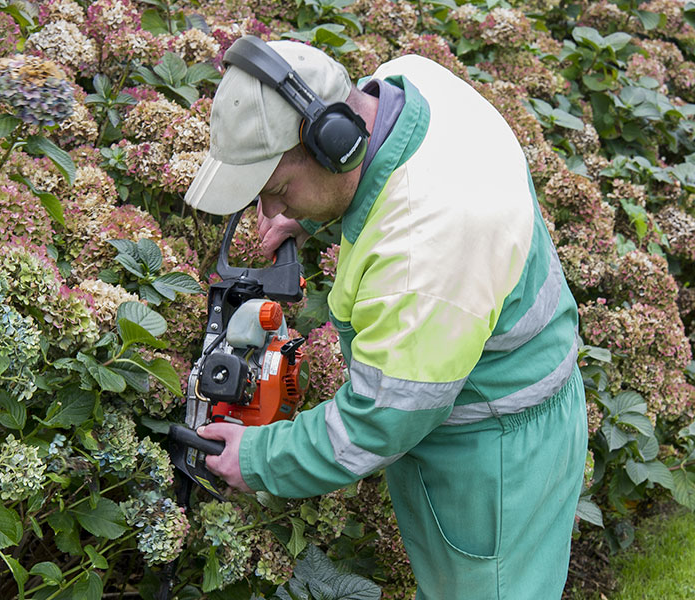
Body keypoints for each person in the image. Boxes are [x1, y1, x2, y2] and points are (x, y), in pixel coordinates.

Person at [184, 36, 588, 600]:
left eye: (276, 191)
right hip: (482, 399)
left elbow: (379, 421)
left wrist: (257, 458)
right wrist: (310, 211)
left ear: (333, 146)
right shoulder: (412, 82)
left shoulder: (425, 248)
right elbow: (387, 188)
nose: (269, 212)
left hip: (493, 455)